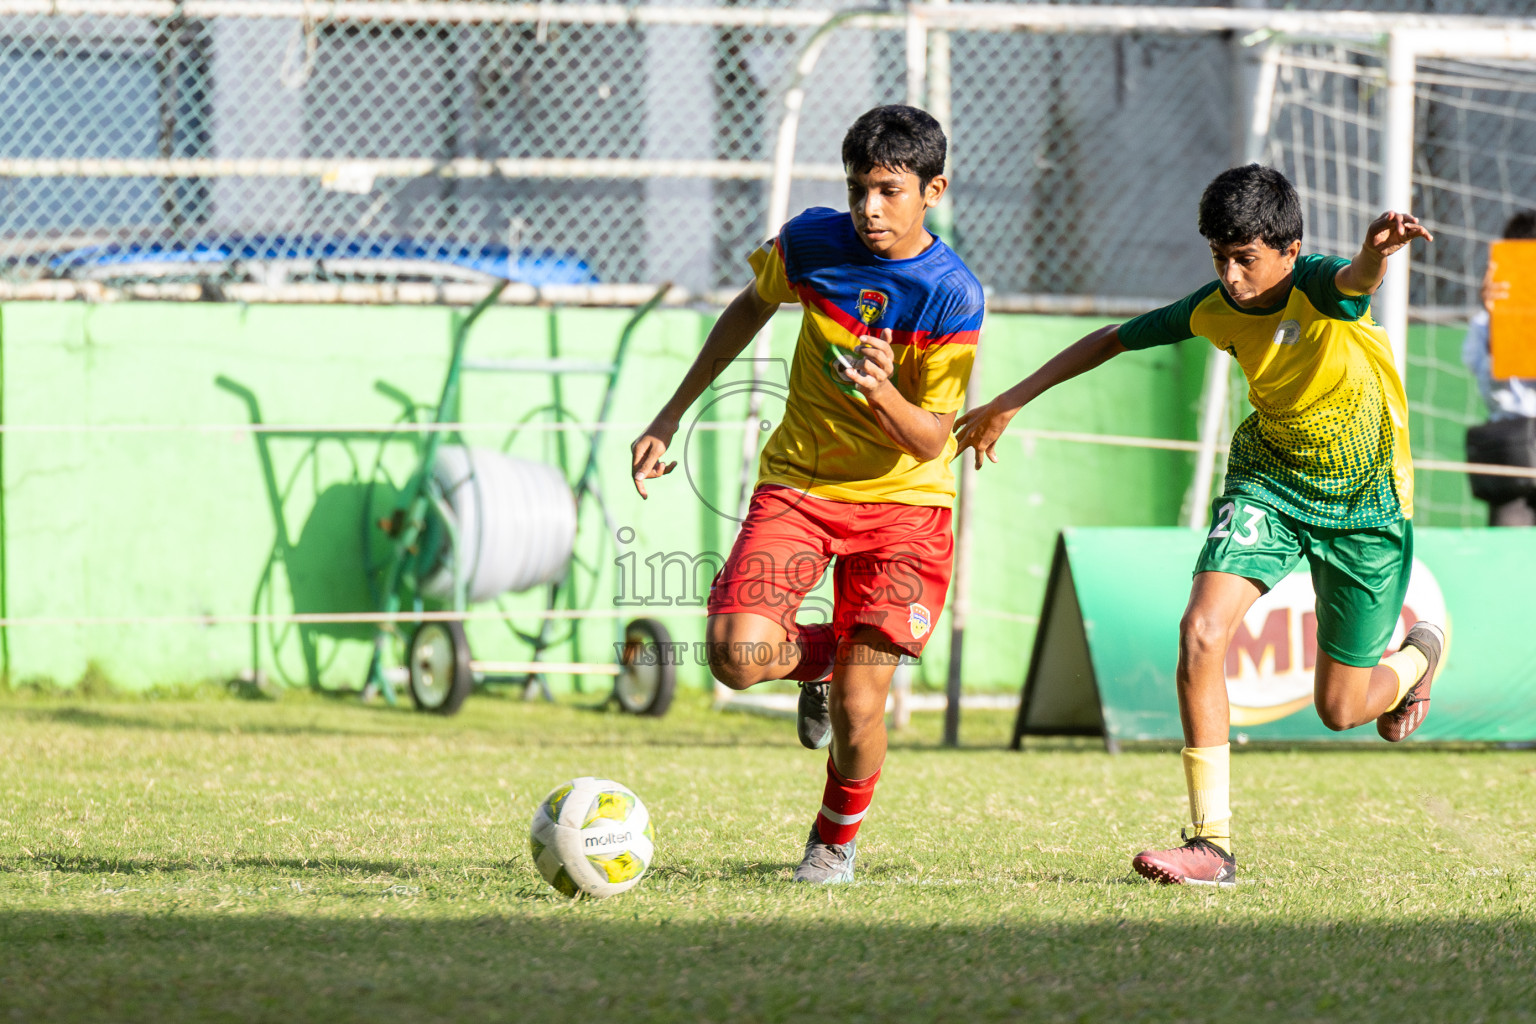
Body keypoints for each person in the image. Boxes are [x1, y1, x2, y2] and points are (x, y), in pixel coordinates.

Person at [955, 164, 1444, 888]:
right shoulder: (1215, 306)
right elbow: (1114, 338)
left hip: (1365, 506)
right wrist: (1012, 399)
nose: (1231, 274)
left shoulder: (1318, 286)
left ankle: (1420, 656)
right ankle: (1211, 844)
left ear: (1289, 248)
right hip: (1269, 481)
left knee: (1342, 709)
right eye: (1219, 256)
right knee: (1201, 631)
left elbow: (1355, 279)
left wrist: (1376, 251)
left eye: (1244, 257)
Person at [629, 105, 983, 883]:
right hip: (801, 485)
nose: (869, 208)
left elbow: (932, 440)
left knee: (864, 706)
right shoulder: (811, 242)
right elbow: (752, 304)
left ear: (934, 189)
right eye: (859, 189)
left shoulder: (954, 294)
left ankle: (833, 842)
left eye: (889, 190)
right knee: (735, 656)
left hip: (906, 508)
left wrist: (882, 393)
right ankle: (823, 665)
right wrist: (671, 412)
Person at [1461, 209, 1536, 526]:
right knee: (1510, 545)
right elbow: (1492, 391)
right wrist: (1497, 319)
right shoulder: (1484, 323)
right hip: (1513, 446)